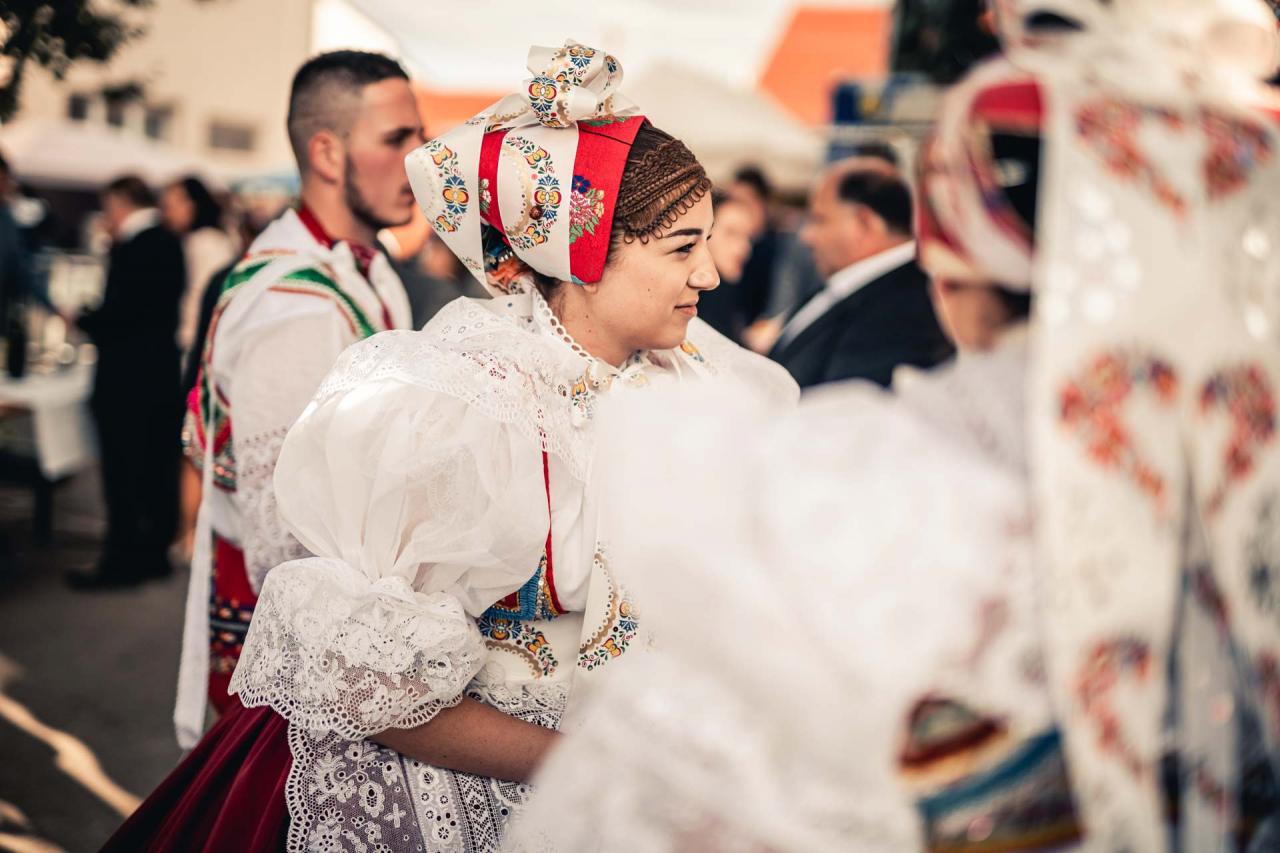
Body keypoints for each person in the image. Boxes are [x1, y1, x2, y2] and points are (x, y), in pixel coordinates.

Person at [502, 1, 1280, 849]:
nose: (711, 273)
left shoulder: (859, 497)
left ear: (949, 268)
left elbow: (631, 813)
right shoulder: (1246, 477)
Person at [106, 40, 796, 852]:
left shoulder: (696, 380)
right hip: (473, 792)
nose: (710, 275)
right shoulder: (471, 405)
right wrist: (584, 761)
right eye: (682, 247)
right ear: (579, 250)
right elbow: (369, 684)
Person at [171, 50, 418, 747]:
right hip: (305, 646)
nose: (420, 160)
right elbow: (284, 535)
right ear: (328, 152)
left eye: (421, 137)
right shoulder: (293, 306)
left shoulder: (365, 268)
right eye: (396, 139)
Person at [67, 176, 185, 590]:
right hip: (158, 375)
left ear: (120, 203)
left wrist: (83, 319)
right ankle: (152, 553)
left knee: (125, 472)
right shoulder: (167, 241)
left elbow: (123, 314)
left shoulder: (136, 246)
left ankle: (122, 561)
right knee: (154, 470)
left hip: (128, 381)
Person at [768, 158, 953, 390]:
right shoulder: (853, 284)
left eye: (819, 219)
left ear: (866, 222)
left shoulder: (908, 305)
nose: (806, 236)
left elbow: (847, 398)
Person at [160, 175, 237, 361]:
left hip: (199, 342)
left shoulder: (207, 243)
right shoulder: (196, 240)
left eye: (170, 207)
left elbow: (202, 294)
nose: (166, 215)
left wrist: (189, 337)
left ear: (191, 205)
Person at [695, 190, 758, 341]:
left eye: (748, 237)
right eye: (732, 233)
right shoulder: (694, 300)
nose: (744, 248)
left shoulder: (729, 294)